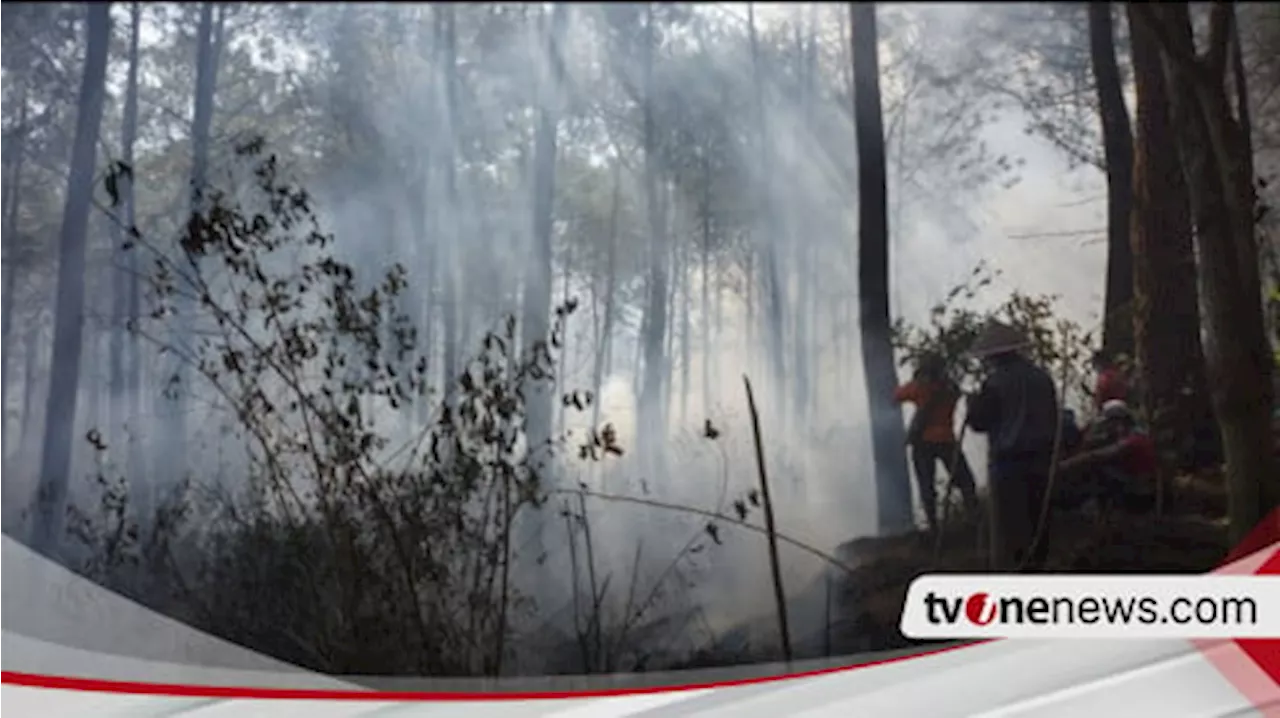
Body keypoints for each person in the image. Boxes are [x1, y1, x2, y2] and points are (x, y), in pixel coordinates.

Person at [964, 321, 1060, 571]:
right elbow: (1054, 419)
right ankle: (1037, 574)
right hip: (1042, 462)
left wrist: (972, 405)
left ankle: (1013, 583)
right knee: (1038, 525)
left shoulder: (994, 384)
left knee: (1009, 531)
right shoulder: (1042, 378)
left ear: (993, 356)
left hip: (1008, 465)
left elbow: (979, 422)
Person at [893, 352, 979, 532]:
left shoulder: (918, 387)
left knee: (927, 485)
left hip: (922, 442)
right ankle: (974, 519)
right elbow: (956, 394)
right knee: (965, 481)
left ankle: (934, 527)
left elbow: (896, 396)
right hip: (947, 440)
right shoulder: (951, 388)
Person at [1057, 399, 1158, 514]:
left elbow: (1097, 456)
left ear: (1118, 422)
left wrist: (1066, 465)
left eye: (1109, 423)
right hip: (1138, 485)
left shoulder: (1134, 440)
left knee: (1095, 468)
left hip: (1138, 491)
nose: (1107, 427)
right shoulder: (1138, 434)